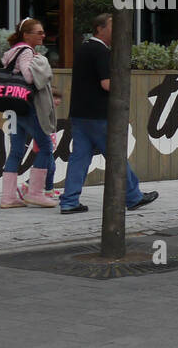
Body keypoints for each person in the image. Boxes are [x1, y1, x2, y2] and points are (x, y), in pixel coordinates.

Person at [59, 14, 158, 214]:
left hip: (79, 113)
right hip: (98, 114)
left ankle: (69, 201)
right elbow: (107, 84)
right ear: (99, 28)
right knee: (116, 156)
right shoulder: (100, 51)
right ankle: (133, 196)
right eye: (113, 26)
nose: (118, 30)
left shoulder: (84, 48)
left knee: (79, 158)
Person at [0, 18, 62, 210]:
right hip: (27, 106)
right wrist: (39, 63)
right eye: (39, 32)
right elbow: (28, 77)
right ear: (26, 35)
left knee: (16, 151)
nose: (43, 35)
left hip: (13, 105)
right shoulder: (26, 51)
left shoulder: (11, 52)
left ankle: (8, 198)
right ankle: (35, 193)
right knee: (45, 146)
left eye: (43, 32)